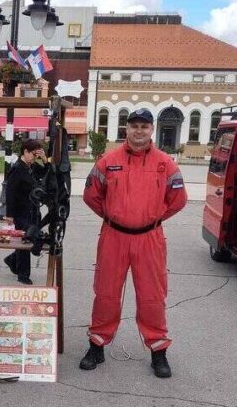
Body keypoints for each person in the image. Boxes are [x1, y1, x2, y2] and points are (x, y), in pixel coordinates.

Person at [80, 108, 188, 378]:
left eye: (144, 126)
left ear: (152, 130)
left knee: (152, 296)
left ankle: (158, 351)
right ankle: (97, 345)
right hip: (114, 236)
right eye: (134, 126)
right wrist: (113, 216)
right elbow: (91, 194)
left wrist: (152, 218)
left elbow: (178, 200)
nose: (139, 131)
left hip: (149, 238)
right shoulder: (108, 161)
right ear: (126, 129)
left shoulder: (167, 164)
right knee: (105, 293)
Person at [3, 139, 47, 285]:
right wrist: (9, 215)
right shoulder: (17, 169)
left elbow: (46, 173)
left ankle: (11, 260)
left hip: (33, 211)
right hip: (20, 212)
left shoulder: (31, 166)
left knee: (29, 238)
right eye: (33, 154)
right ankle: (23, 274)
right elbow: (10, 193)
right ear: (25, 152)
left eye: (36, 155)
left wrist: (44, 159)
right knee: (26, 241)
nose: (35, 158)